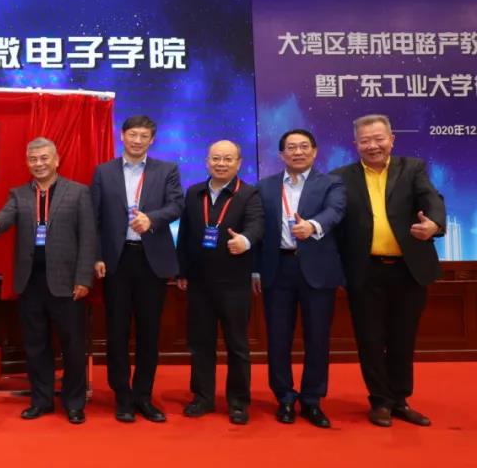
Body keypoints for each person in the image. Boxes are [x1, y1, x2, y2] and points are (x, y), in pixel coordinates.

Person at [331, 114, 445, 427]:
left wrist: (434, 224)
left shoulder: (412, 168)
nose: (373, 146)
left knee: (402, 338)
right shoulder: (340, 177)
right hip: (364, 270)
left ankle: (400, 400)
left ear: (391, 140)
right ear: (355, 144)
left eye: (379, 139)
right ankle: (380, 401)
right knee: (369, 339)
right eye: (365, 140)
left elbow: (432, 199)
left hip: (408, 270)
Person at [0, 137, 96, 424]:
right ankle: (41, 400)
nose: (39, 164)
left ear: (56, 160)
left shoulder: (78, 192)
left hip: (67, 284)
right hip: (30, 283)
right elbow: (5, 216)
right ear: (27, 163)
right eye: (33, 159)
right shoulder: (19, 194)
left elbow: (88, 238)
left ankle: (74, 403)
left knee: (73, 347)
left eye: (44, 158)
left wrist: (83, 278)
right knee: (36, 346)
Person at [90, 115, 183, 423]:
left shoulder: (166, 170)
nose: (138, 140)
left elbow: (177, 205)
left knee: (149, 331)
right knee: (116, 331)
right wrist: (97, 256)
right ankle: (122, 396)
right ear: (122, 136)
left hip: (151, 260)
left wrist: (152, 219)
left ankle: (143, 395)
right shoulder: (104, 172)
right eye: (133, 134)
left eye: (144, 136)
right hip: (116, 261)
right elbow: (94, 217)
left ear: (152, 140)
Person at [253, 129, 345, 428]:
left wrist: (314, 226)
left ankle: (312, 399)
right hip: (277, 268)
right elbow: (257, 229)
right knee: (278, 338)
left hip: (317, 270)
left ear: (315, 151)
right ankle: (284, 397)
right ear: (281, 154)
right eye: (291, 148)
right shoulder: (264, 187)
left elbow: (335, 211)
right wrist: (255, 269)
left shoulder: (331, 183)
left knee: (317, 337)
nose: (298, 152)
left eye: (304, 146)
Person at [176, 140, 263, 424]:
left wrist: (245, 240)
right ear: (207, 162)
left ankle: (238, 402)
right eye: (215, 158)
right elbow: (185, 235)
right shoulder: (194, 192)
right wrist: (182, 272)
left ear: (238, 163)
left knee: (237, 345)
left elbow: (257, 225)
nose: (221, 164)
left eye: (227, 159)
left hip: (234, 283)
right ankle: (202, 398)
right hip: (199, 283)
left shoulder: (249, 194)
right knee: (200, 344)